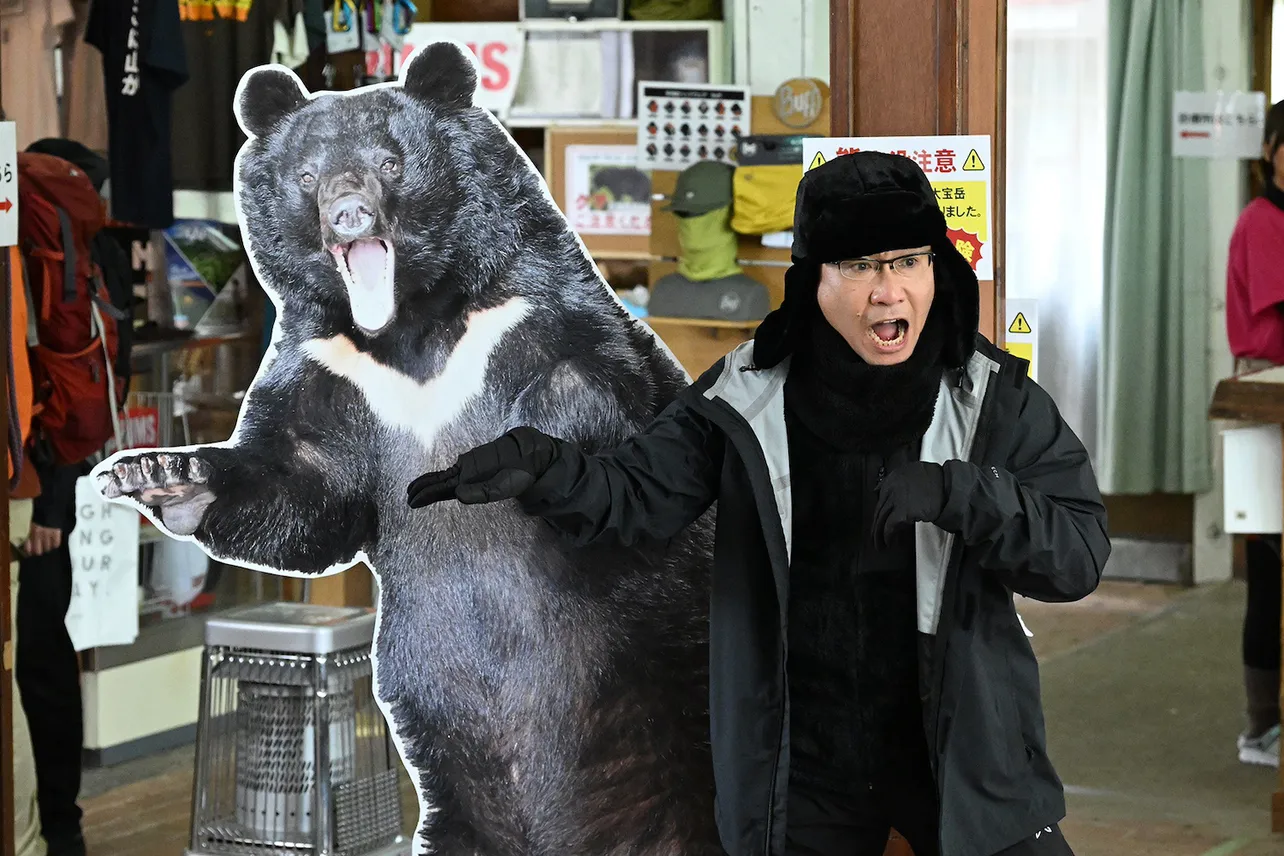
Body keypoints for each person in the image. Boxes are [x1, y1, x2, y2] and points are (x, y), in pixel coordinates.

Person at [407, 152, 1111, 856]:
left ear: (937, 269)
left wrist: (963, 494)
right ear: (813, 281)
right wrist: (544, 466)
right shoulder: (748, 395)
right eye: (859, 267)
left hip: (962, 748)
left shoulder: (990, 398)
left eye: (907, 262)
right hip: (804, 758)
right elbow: (638, 496)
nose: (888, 291)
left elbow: (1076, 557)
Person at [1224, 98, 1284, 769]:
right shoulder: (1263, 219)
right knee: (1269, 569)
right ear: (1271, 151)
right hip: (1267, 394)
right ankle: (1261, 726)